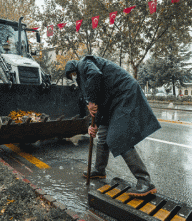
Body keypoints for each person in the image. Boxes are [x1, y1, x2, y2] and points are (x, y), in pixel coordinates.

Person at [65, 55, 161, 197]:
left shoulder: (84, 63)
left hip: (124, 95)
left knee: (117, 137)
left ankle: (145, 181)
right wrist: (94, 125)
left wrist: (91, 101)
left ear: (74, 69)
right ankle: (99, 170)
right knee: (102, 135)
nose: (73, 77)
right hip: (112, 103)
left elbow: (95, 75)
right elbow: (98, 104)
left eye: (73, 74)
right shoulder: (87, 79)